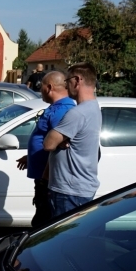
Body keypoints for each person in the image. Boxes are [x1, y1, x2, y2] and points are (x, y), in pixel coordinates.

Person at [16, 71, 75, 226]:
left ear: (49, 87)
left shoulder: (61, 111)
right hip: (44, 177)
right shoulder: (55, 108)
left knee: (44, 221)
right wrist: (32, 157)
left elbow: (58, 147)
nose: (39, 89)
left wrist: (45, 178)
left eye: (40, 86)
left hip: (48, 180)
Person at [43, 62, 101, 218]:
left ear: (77, 80)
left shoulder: (77, 113)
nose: (66, 87)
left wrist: (57, 139)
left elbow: (48, 144)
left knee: (63, 238)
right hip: (78, 189)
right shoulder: (94, 107)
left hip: (69, 191)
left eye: (67, 81)